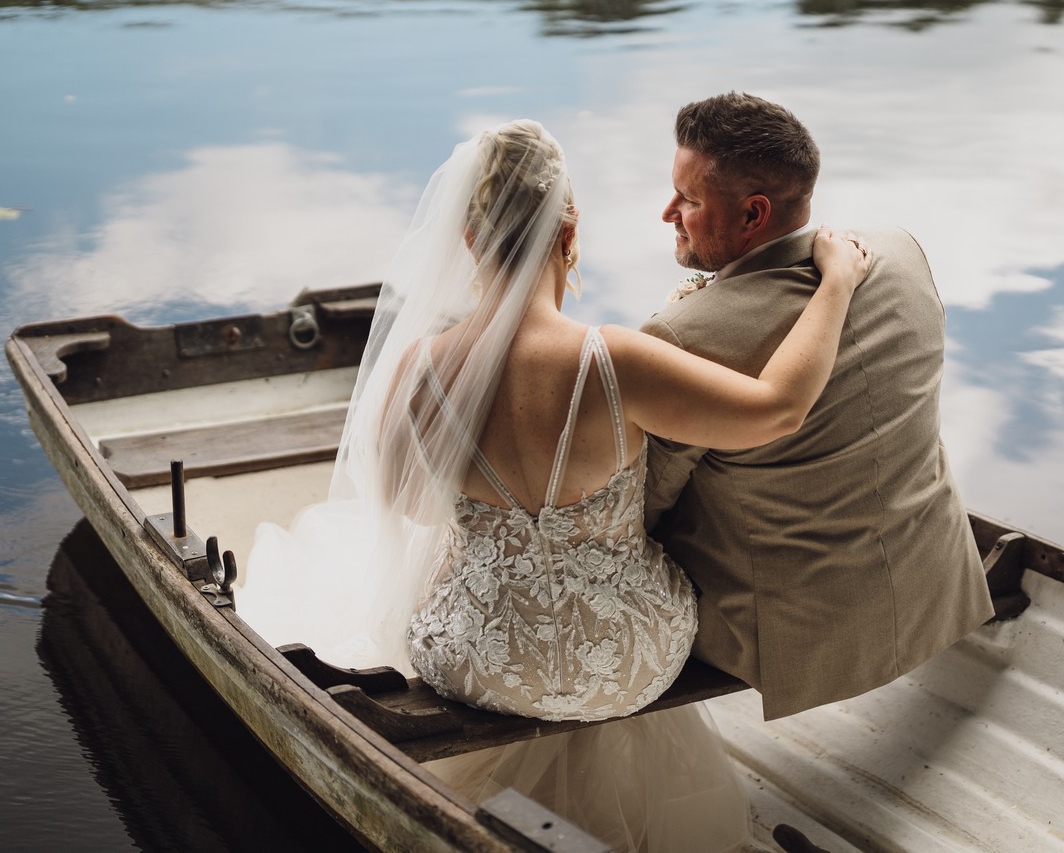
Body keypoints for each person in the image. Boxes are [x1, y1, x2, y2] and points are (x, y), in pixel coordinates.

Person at [239, 119, 868, 853]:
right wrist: (838, 280)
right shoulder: (616, 359)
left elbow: (406, 504)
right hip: (629, 654)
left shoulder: (416, 369)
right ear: (569, 230)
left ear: (469, 241)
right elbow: (778, 408)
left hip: (481, 658)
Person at [641, 92, 997, 721]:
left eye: (689, 200)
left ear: (753, 215)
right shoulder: (900, 251)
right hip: (933, 583)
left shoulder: (685, 335)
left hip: (793, 636)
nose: (668, 211)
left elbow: (643, 501)